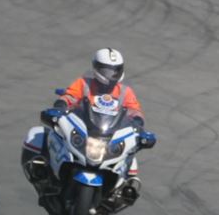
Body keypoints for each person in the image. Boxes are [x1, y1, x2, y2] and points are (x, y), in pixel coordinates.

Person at [44, 48, 145, 199]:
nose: (112, 75)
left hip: (109, 134)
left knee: (131, 153)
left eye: (115, 71)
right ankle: (45, 169)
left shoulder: (125, 91)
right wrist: (61, 105)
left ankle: (123, 189)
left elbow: (134, 110)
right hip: (84, 129)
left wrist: (137, 122)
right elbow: (70, 96)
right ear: (96, 68)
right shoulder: (84, 84)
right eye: (107, 70)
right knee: (50, 134)